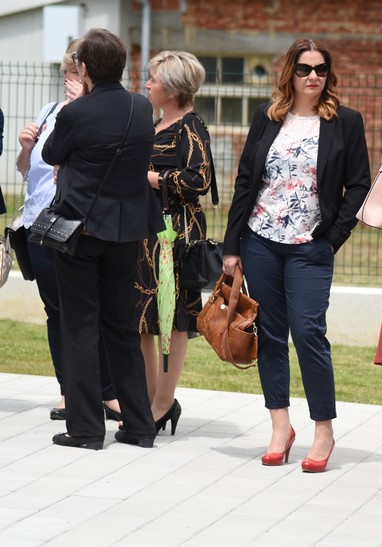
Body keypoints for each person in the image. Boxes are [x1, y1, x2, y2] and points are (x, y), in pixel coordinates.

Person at [222, 38, 370, 472]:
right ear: (290, 72)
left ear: (329, 75)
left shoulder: (346, 122)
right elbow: (246, 181)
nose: (313, 76)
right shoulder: (267, 118)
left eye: (321, 69)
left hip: (311, 247)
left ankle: (323, 429)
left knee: (307, 332)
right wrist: (232, 246)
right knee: (270, 334)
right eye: (304, 68)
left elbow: (359, 185)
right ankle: (280, 427)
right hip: (260, 241)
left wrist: (333, 238)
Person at [41, 28, 159, 450]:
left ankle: (86, 428)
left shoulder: (76, 112)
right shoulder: (141, 107)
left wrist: (75, 112)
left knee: (79, 328)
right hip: (126, 232)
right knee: (122, 327)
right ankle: (140, 425)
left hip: (81, 230)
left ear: (85, 68)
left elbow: (50, 154)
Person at [16, 39, 123, 424]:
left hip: (80, 224)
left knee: (92, 311)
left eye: (76, 73)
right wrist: (25, 147)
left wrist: (80, 108)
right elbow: (28, 169)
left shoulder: (96, 112)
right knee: (57, 312)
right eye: (66, 72)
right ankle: (68, 390)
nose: (69, 80)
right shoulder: (50, 110)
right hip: (41, 223)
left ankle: (106, 392)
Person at [135, 50, 213, 435]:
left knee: (173, 318)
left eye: (153, 79)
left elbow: (200, 180)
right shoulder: (155, 123)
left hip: (175, 234)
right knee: (142, 320)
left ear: (172, 88)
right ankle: (148, 401)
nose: (147, 84)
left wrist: (150, 178)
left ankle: (163, 403)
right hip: (146, 233)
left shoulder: (190, 126)